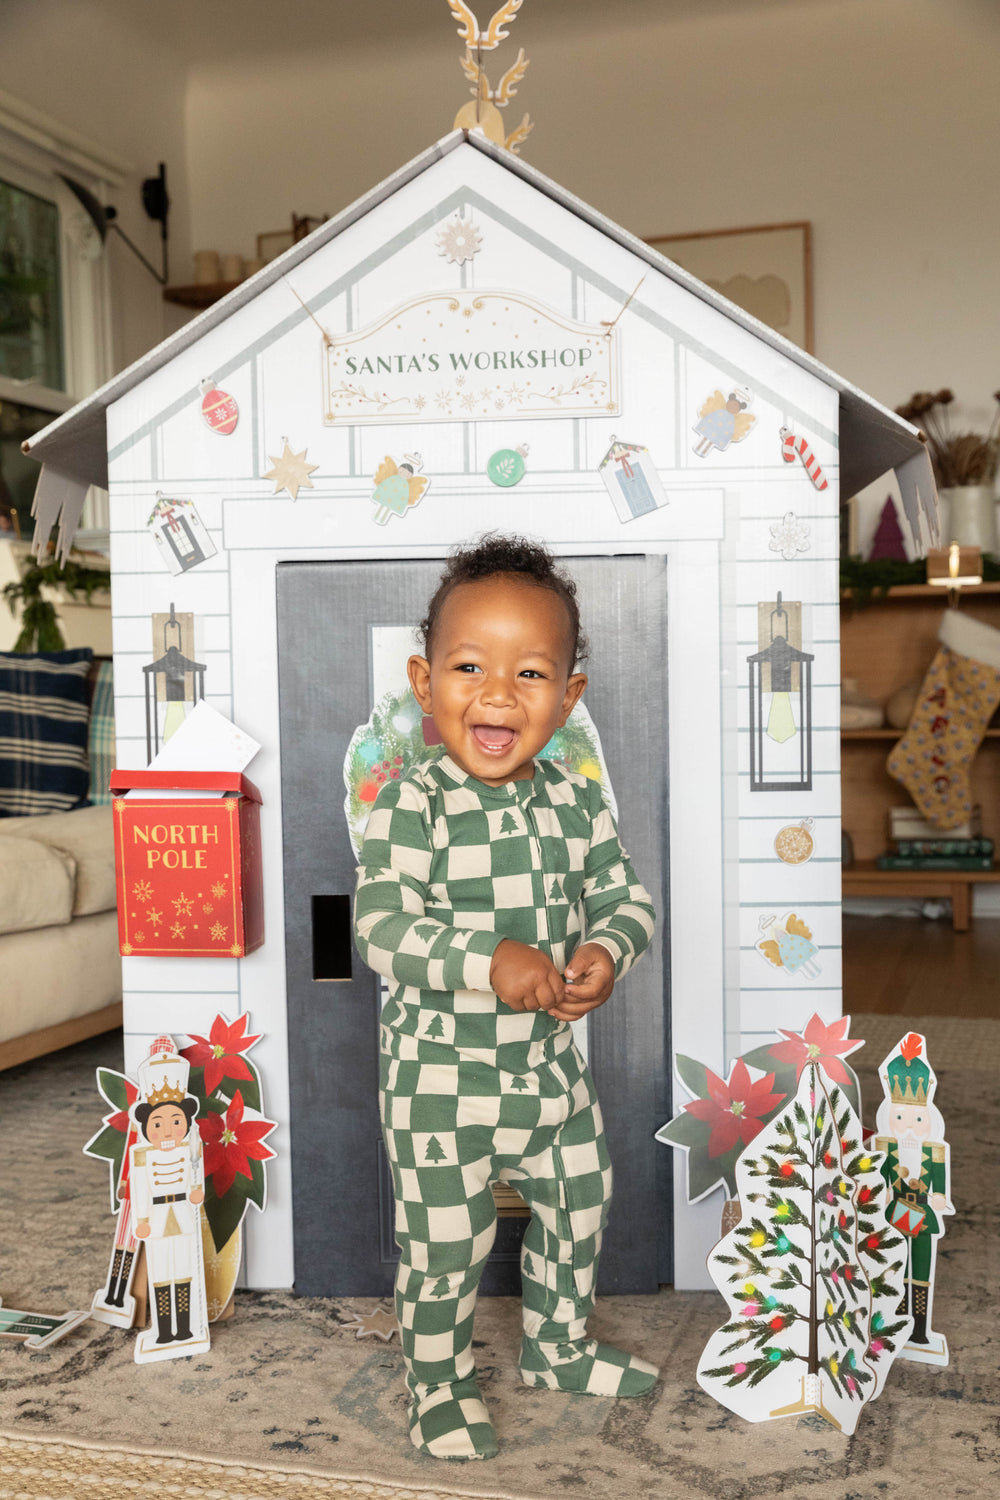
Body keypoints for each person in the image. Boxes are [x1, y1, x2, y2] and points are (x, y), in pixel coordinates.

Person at [354, 534, 658, 1462]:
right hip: (437, 1080)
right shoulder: (413, 804)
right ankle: (437, 1385)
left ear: (568, 697)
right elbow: (382, 927)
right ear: (423, 680)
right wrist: (488, 959)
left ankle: (557, 1343)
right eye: (469, 667)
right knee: (446, 1248)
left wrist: (608, 948)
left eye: (530, 673)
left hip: (546, 1073)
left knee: (581, 1198)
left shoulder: (577, 802)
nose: (496, 694)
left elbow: (625, 895)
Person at [129, 1042, 210, 1361]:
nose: (167, 1130)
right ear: (146, 1125)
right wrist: (142, 1220)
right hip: (157, 1215)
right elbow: (139, 1187)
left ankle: (187, 1328)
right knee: (162, 1272)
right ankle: (165, 1329)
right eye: (158, 1124)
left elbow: (195, 1174)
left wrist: (197, 1189)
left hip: (183, 1212)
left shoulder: (191, 1147)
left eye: (176, 1121)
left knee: (185, 1269)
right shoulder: (141, 1156)